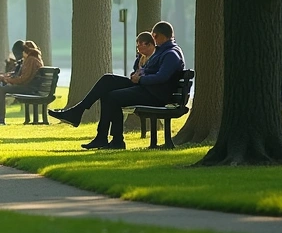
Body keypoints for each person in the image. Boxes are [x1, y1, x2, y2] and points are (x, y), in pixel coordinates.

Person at [48, 23, 184, 149]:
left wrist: (141, 79)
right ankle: (83, 117)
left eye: (154, 36)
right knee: (108, 80)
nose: (153, 40)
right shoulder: (162, 52)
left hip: (154, 95)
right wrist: (138, 75)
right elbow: (149, 70)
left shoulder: (171, 54)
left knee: (111, 97)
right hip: (146, 88)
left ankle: (111, 138)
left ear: (161, 36)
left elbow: (162, 77)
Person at [0, 41, 46, 125]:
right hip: (28, 86)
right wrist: (6, 78)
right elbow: (20, 76)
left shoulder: (31, 60)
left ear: (26, 51)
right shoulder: (30, 59)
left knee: (1, 89)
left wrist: (8, 80)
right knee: (0, 86)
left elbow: (24, 79)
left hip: (30, 88)